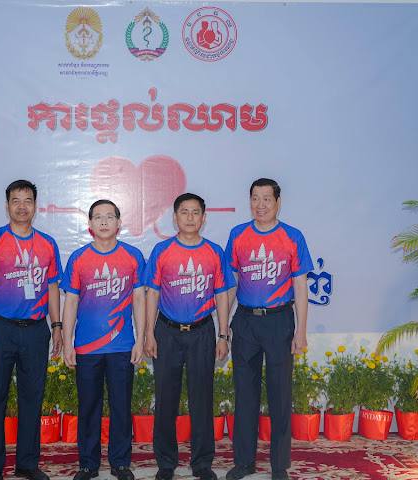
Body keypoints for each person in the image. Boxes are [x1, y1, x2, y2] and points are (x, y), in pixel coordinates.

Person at [0, 179, 63, 480]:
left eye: (28, 200)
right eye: (16, 200)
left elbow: (52, 287)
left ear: (35, 206)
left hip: (36, 331)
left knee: (32, 398)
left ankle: (27, 464)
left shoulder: (48, 244)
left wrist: (57, 326)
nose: (22, 206)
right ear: (7, 205)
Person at [225, 178, 313, 480]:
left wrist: (301, 331)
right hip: (246, 321)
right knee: (245, 395)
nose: (260, 205)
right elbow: (231, 284)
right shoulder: (238, 235)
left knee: (280, 395)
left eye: (266, 198)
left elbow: (300, 286)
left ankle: (279, 465)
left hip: (279, 321)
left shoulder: (292, 236)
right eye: (255, 198)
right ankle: (244, 462)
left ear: (278, 202)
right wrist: (223, 325)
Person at [144, 193, 233, 480]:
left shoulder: (214, 252)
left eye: (196, 212)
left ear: (204, 218)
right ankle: (166, 462)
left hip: (202, 332)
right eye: (184, 212)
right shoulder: (162, 250)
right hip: (167, 332)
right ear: (175, 217)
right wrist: (148, 333)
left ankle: (202, 463)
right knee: (165, 399)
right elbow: (152, 293)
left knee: (202, 399)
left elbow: (222, 294)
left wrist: (223, 335)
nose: (190, 217)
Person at [61, 199, 146, 480]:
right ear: (90, 224)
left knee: (121, 407)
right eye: (98, 217)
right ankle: (88, 464)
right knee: (88, 407)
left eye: (110, 216)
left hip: (122, 346)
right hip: (87, 348)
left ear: (119, 223)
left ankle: (120, 463)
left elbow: (139, 299)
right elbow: (71, 301)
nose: (104, 222)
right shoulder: (79, 258)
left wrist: (140, 339)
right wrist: (67, 342)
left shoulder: (133, 256)